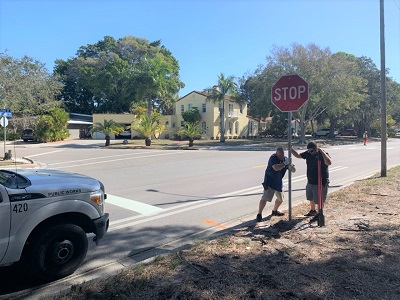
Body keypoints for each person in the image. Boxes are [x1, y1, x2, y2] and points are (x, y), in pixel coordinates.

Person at [291, 142, 332, 221]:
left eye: (312, 151)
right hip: (310, 180)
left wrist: (322, 152)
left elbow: (329, 162)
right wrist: (291, 149)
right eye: (308, 151)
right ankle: (313, 211)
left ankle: (320, 213)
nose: (310, 152)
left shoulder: (322, 154)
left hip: (320, 181)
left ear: (316, 148)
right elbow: (298, 155)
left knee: (319, 200)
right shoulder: (308, 153)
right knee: (311, 197)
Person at [256, 147, 296, 222]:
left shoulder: (285, 159)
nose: (281, 157)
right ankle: (259, 214)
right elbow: (276, 168)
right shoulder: (273, 158)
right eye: (280, 155)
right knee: (265, 198)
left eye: (282, 155)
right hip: (269, 181)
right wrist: (284, 164)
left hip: (278, 181)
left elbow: (293, 170)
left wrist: (291, 166)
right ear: (276, 153)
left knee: (281, 199)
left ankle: (274, 211)